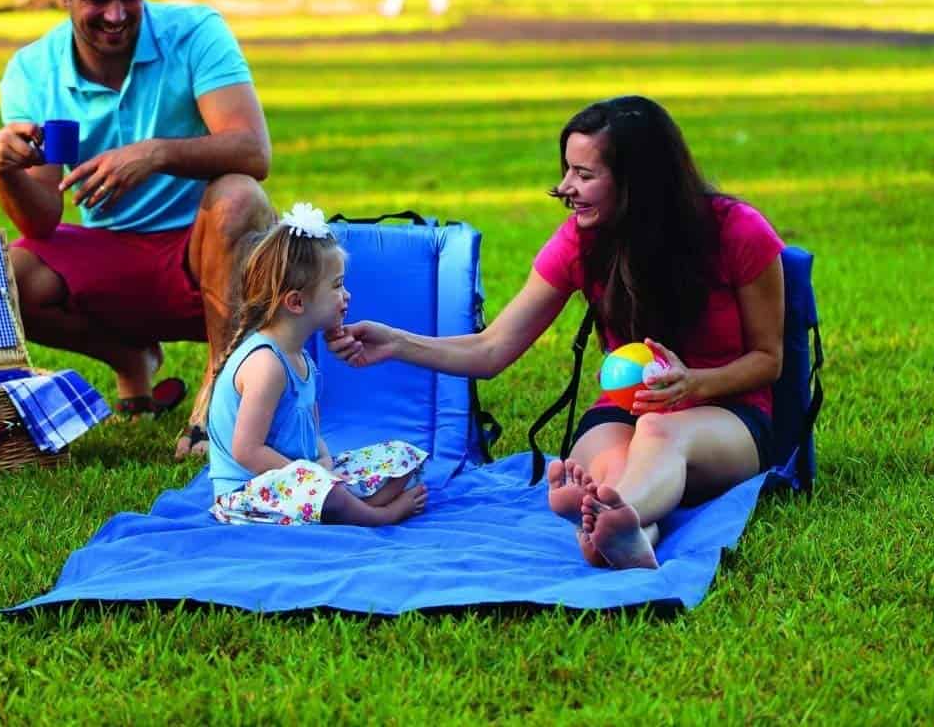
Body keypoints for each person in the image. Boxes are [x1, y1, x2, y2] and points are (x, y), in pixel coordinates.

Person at [328, 96, 785, 568]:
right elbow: (492, 348)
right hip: (622, 408)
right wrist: (398, 343)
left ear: (639, 181)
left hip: (725, 415)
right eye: (568, 170)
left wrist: (694, 383)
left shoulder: (736, 231)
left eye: (585, 175)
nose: (566, 188)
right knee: (609, 471)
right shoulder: (580, 240)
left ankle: (614, 516)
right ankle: (628, 533)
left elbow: (769, 360)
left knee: (658, 432)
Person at [0, 0, 274, 458]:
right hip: (116, 254)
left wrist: (155, 153)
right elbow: (44, 217)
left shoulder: (195, 34)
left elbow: (252, 151)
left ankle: (219, 388)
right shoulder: (36, 71)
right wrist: (2, 168)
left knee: (238, 193)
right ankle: (131, 359)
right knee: (9, 279)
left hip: (209, 247)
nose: (117, 14)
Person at [206, 202, 429, 526]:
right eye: (337, 285)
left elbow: (312, 434)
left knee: (401, 457)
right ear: (296, 302)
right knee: (325, 490)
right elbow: (247, 451)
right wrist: (312, 475)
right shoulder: (266, 365)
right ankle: (376, 514)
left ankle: (346, 503)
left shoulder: (300, 357)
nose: (347, 295)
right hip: (250, 492)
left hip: (299, 479)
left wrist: (322, 462)